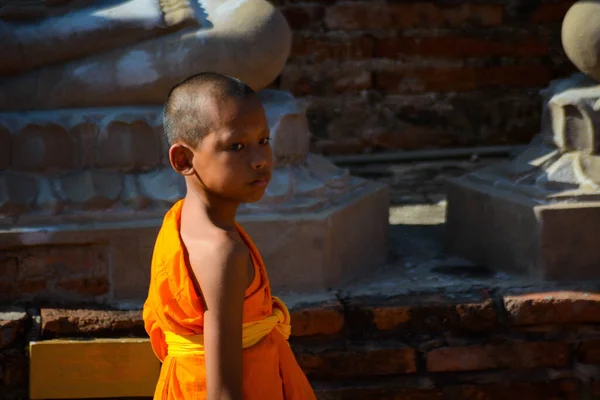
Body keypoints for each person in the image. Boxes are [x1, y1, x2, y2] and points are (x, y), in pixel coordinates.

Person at [142, 72, 316, 400]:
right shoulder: (223, 253)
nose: (260, 160)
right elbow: (224, 393)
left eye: (263, 140)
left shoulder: (179, 222)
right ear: (184, 160)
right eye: (236, 146)